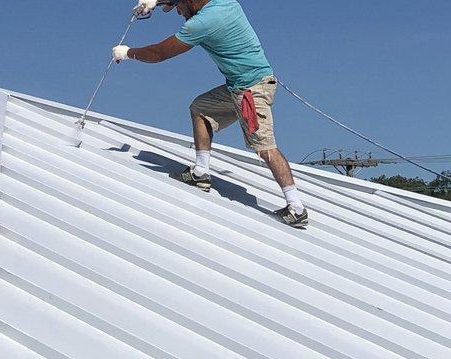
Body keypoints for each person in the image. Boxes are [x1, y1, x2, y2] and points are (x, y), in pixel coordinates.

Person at [112, 0, 308, 227]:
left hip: (251, 92)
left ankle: (296, 207)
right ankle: (201, 173)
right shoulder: (225, 3)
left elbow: (158, 53)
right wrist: (155, 2)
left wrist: (127, 53)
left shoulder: (202, 23)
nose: (178, 13)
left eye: (178, 8)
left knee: (264, 147)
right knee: (201, 108)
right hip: (238, 86)